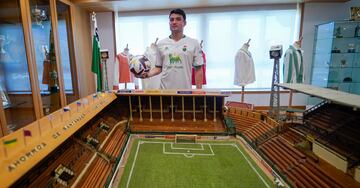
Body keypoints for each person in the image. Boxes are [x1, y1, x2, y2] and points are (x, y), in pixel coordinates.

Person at [140, 8, 203, 89]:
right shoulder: (161, 44)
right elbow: (158, 68)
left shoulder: (194, 43)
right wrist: (147, 74)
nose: (174, 22)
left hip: (185, 91)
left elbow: (198, 69)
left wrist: (199, 92)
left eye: (178, 19)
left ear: (184, 23)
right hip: (165, 91)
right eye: (171, 20)